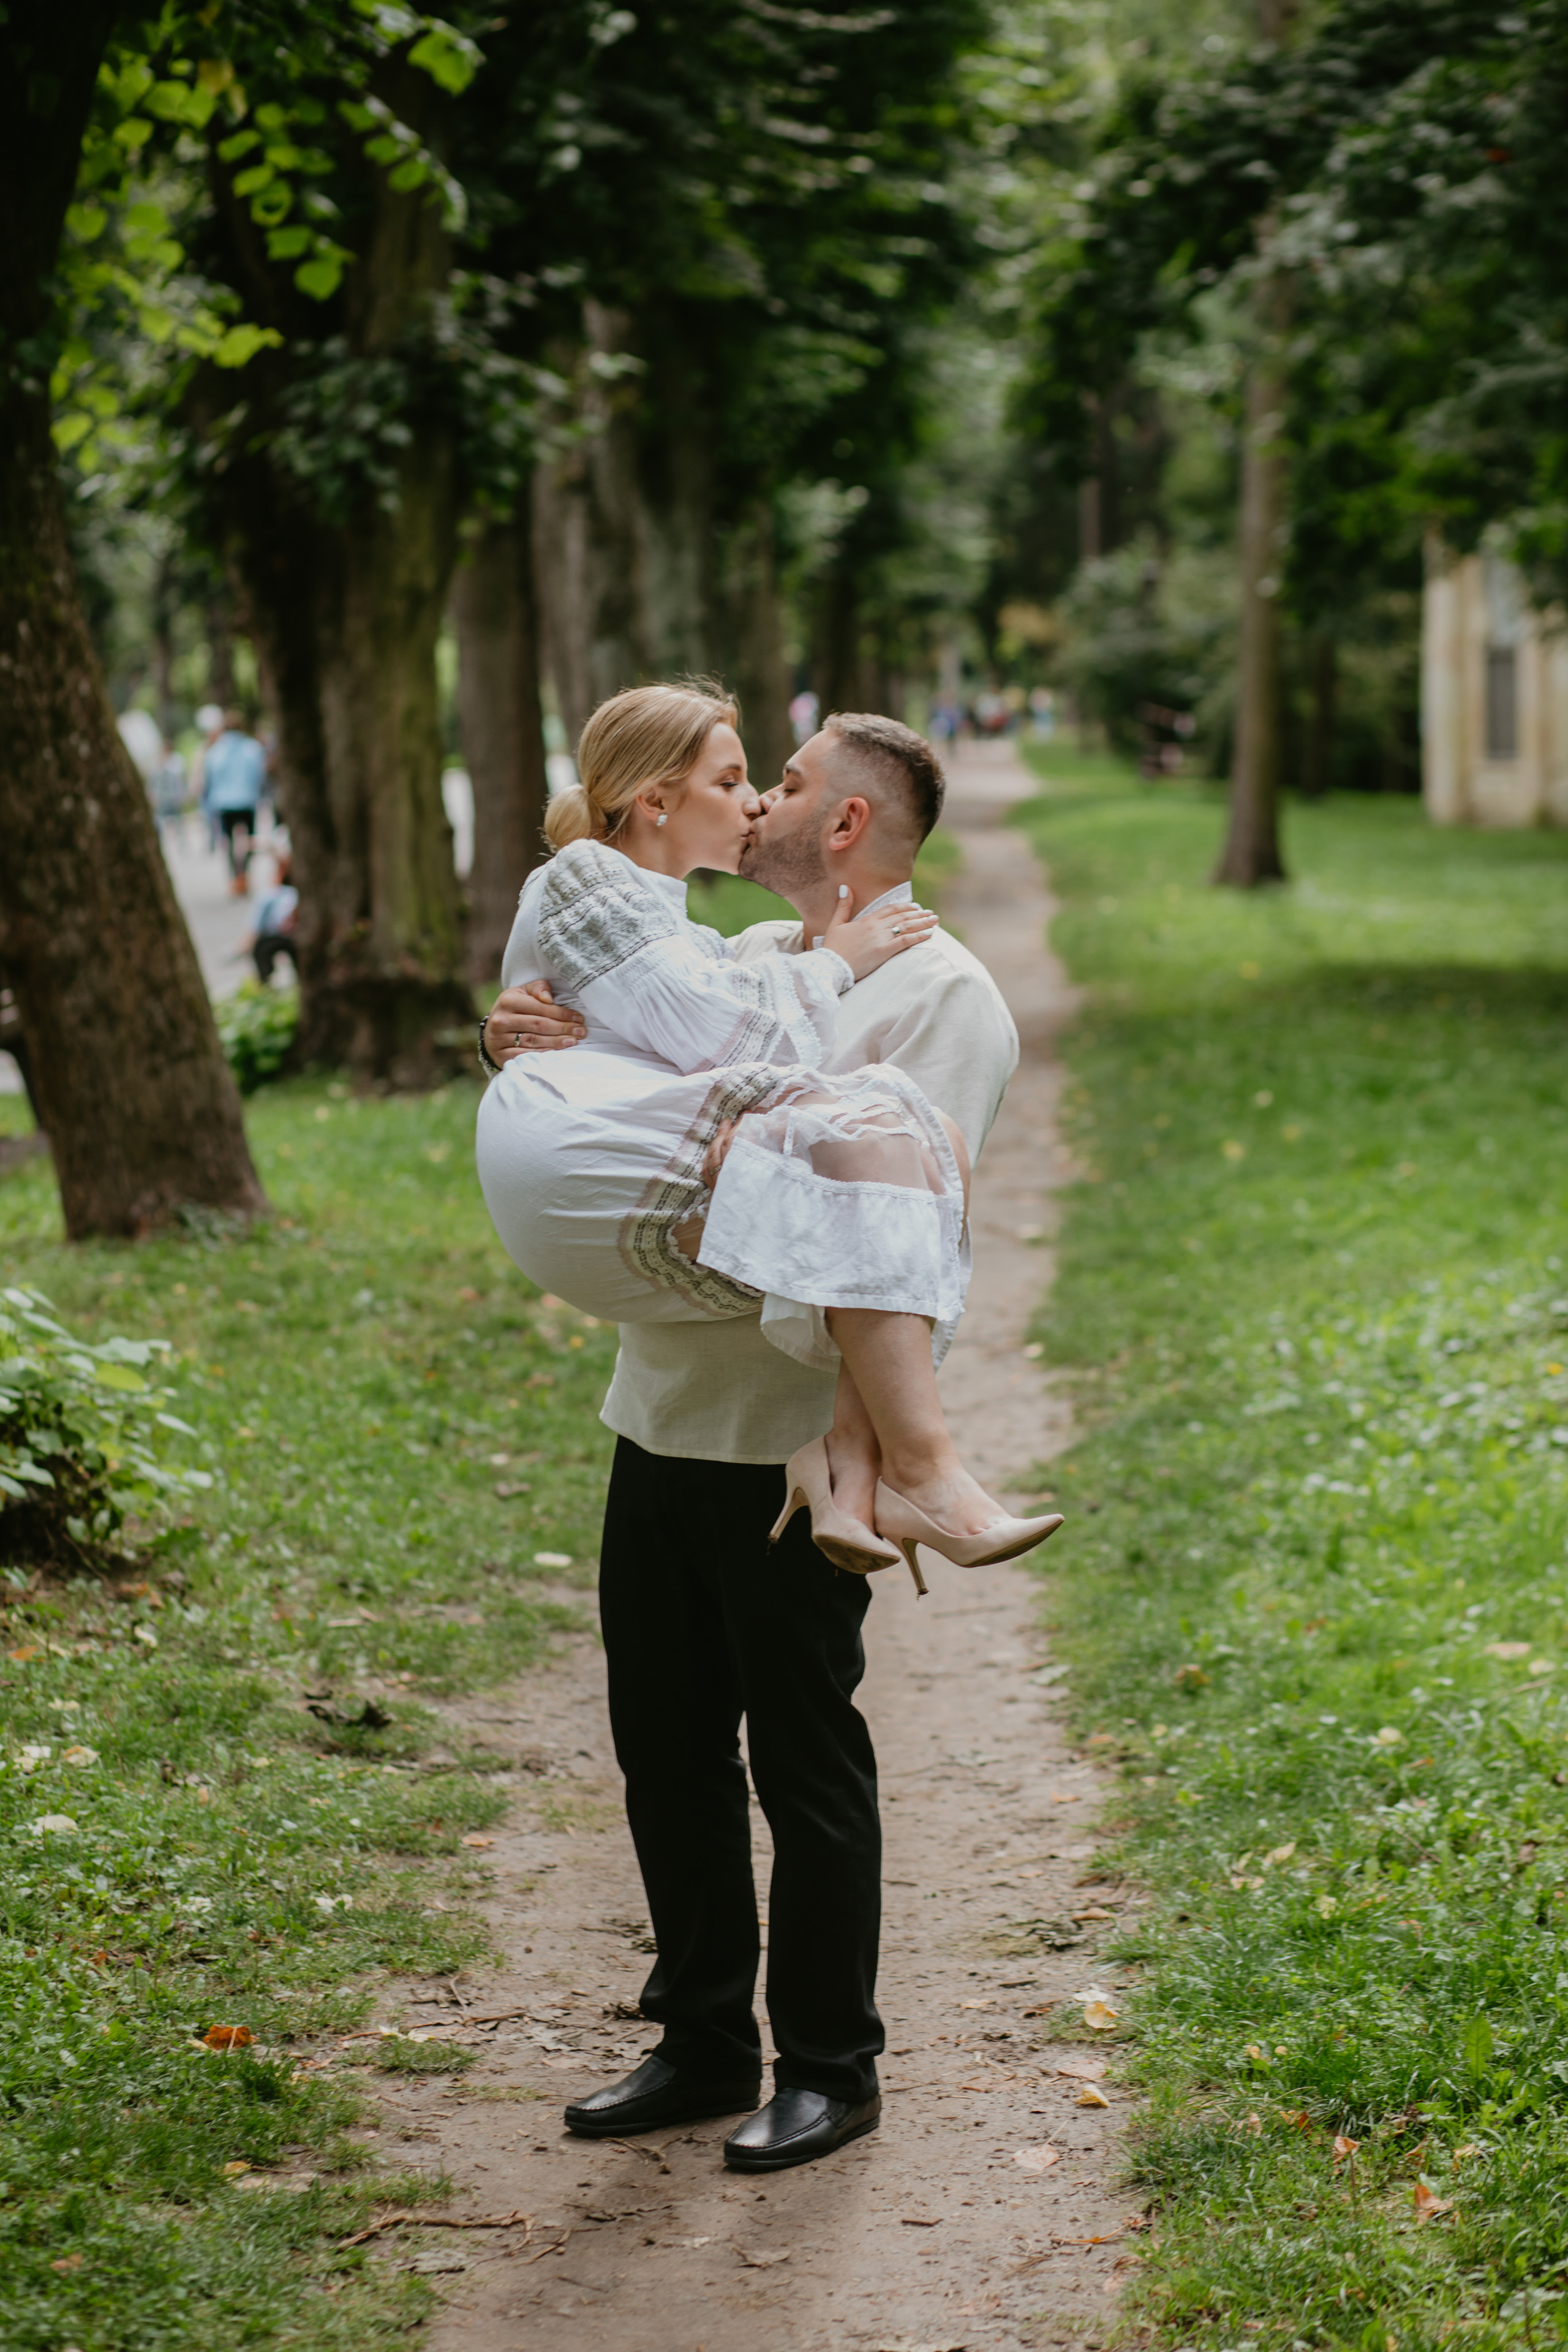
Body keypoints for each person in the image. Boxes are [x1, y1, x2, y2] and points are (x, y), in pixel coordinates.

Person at [480, 693, 1047, 2174]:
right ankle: (698, 2038)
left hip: (791, 1434)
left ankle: (828, 2062)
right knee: (661, 1745)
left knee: (802, 1752)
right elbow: (615, 1103)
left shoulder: (942, 995)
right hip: (656, 1411)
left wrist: (845, 1436)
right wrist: (519, 1032)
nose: (754, 802)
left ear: (841, 822)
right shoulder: (734, 953)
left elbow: (918, 1237)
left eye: (775, 781)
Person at [201, 709, 266, 895]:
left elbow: (209, 777)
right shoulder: (252, 748)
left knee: (228, 842)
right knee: (249, 840)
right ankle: (245, 874)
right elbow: (259, 775)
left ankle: (234, 878)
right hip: (247, 800)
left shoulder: (215, 751)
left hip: (223, 803)